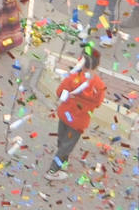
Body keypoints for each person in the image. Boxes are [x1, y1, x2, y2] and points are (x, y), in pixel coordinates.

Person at [46, 45, 108, 179]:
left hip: (64, 114)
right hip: (79, 121)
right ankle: (53, 170)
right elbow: (97, 104)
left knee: (62, 139)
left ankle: (63, 161)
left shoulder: (72, 78)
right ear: (97, 65)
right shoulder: (99, 85)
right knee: (68, 144)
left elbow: (59, 92)